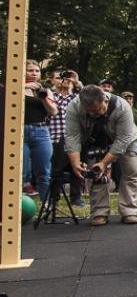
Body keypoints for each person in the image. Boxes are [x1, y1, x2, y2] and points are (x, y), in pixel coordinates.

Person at [65, 85, 137, 225]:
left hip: (128, 140)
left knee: (131, 171)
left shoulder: (122, 107)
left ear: (105, 100)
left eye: (99, 110)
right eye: (90, 112)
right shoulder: (73, 107)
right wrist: (75, 163)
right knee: (96, 174)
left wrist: (104, 163)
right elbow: (72, 136)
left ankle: (129, 211)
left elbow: (123, 140)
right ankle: (99, 212)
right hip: (95, 140)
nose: (95, 115)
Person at [47, 69, 84, 206]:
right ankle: (54, 197)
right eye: (59, 78)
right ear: (52, 81)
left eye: (67, 78)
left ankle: (76, 197)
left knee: (77, 168)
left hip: (74, 139)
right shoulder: (50, 96)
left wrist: (77, 82)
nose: (64, 80)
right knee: (56, 170)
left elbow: (90, 97)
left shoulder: (77, 97)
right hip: (55, 138)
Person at [23, 60, 58, 200]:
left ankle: (46, 206)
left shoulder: (45, 90)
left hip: (41, 131)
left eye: (37, 71)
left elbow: (53, 111)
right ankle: (16, 208)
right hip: (20, 131)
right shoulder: (14, 87)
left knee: (44, 172)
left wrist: (43, 98)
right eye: (30, 70)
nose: (34, 74)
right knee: (22, 172)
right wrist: (24, 86)